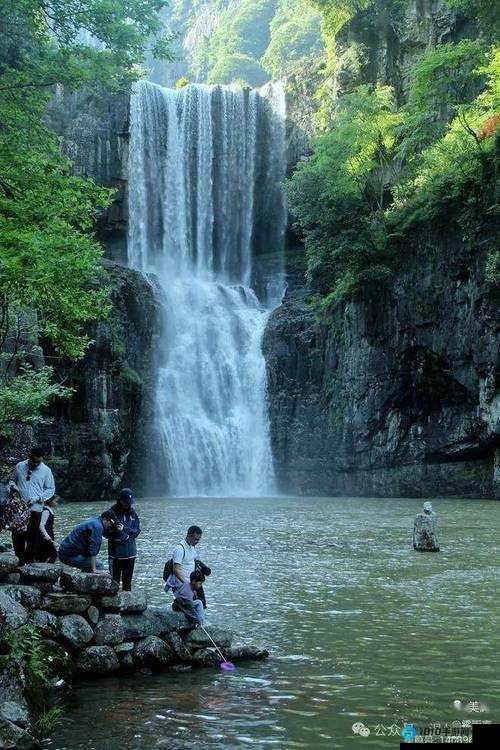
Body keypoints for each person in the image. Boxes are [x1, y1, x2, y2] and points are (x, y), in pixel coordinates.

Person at [107, 488, 141, 591]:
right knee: (114, 584)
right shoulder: (111, 513)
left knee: (127, 585)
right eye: (126, 502)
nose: (128, 505)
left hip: (130, 554)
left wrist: (125, 530)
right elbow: (105, 532)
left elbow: (137, 531)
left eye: (129, 503)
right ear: (120, 501)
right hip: (116, 555)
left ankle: (128, 606)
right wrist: (118, 533)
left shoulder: (133, 514)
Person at [13, 447, 55, 512]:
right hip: (19, 508)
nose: (36, 464)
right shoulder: (19, 466)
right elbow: (12, 482)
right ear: (29, 456)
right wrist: (13, 489)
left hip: (36, 509)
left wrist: (37, 499)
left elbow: (50, 489)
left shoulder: (46, 470)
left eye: (38, 462)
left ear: (42, 458)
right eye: (34, 461)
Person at [0, 483, 31, 564]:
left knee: (18, 548)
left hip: (16, 528)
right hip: (23, 528)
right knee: (21, 547)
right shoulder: (22, 502)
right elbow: (27, 513)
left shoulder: (9, 503)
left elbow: (6, 516)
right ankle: (23, 564)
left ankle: (20, 564)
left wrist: (7, 525)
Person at [32, 495, 60, 563]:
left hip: (48, 535)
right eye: (56, 501)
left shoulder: (48, 510)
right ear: (50, 501)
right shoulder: (46, 511)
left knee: (45, 555)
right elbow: (41, 525)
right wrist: (47, 537)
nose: (57, 503)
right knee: (54, 555)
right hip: (44, 537)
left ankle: (44, 568)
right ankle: (47, 569)